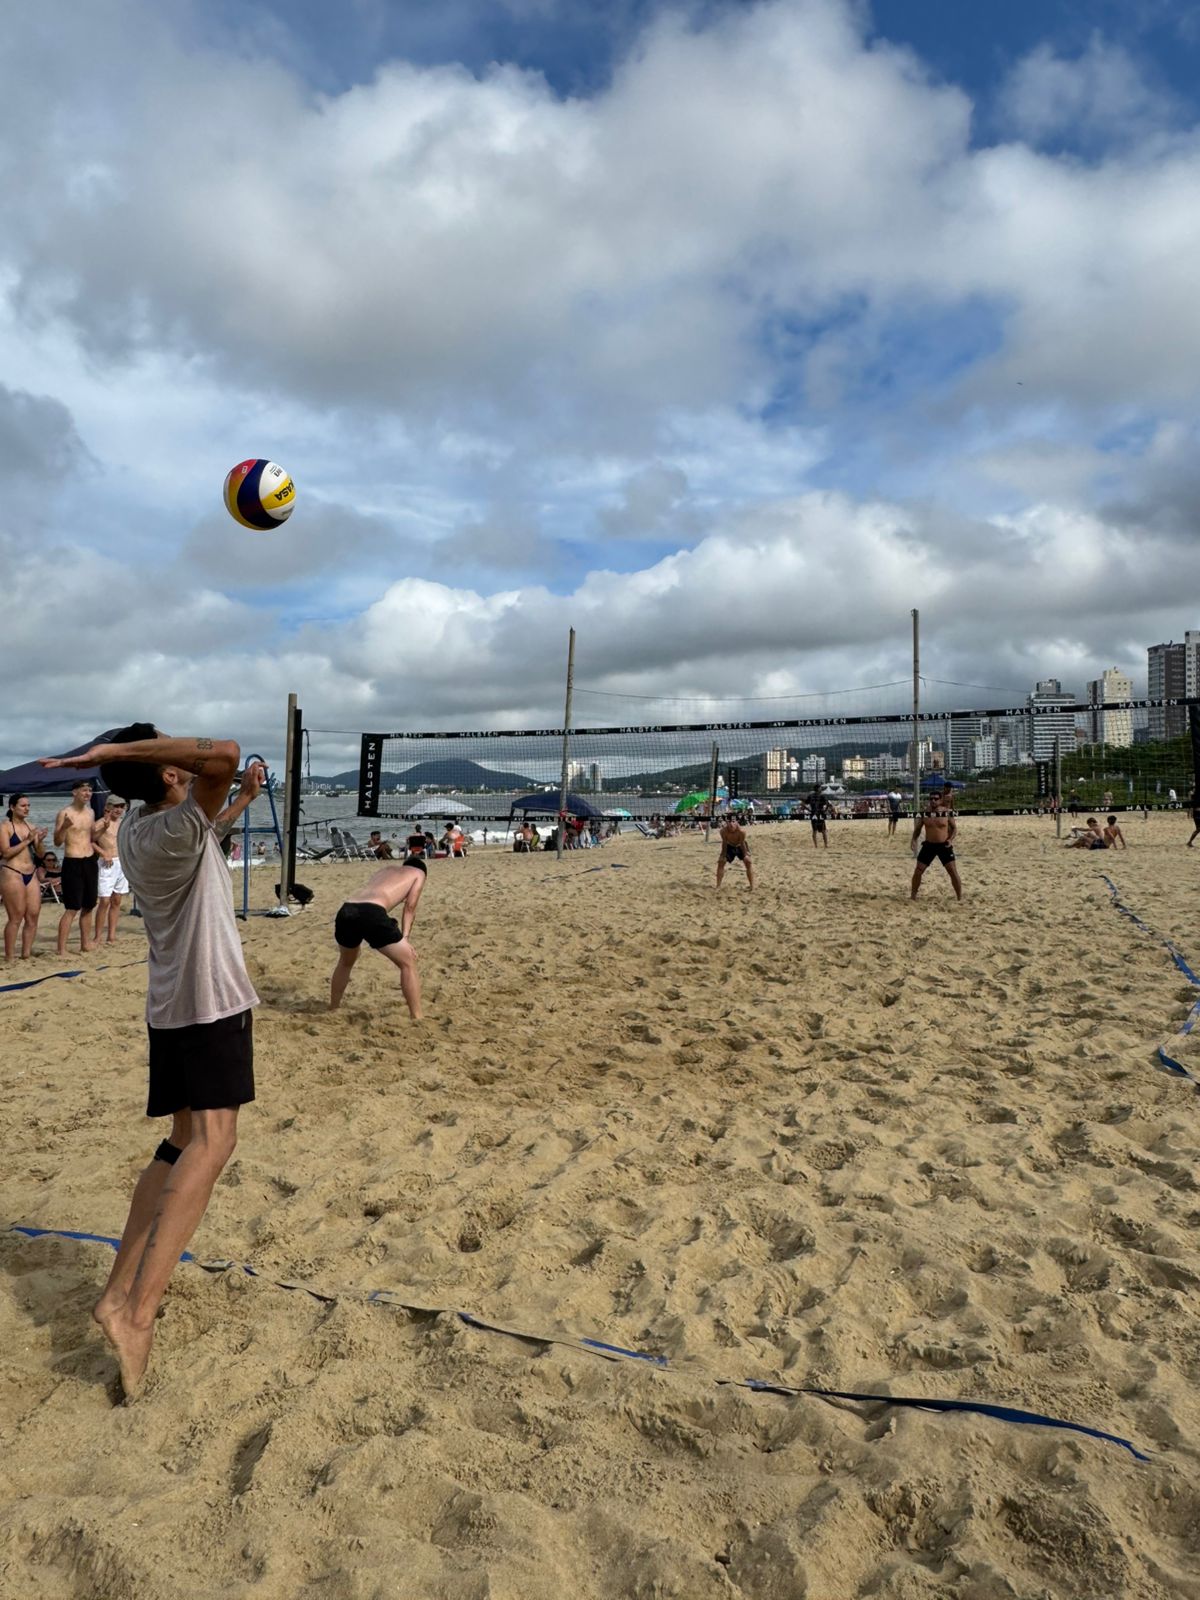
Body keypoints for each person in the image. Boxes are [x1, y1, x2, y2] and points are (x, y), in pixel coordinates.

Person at [38, 725, 258, 1399]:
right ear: (165, 771)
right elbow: (223, 753)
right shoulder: (170, 822)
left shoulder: (137, 826)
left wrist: (241, 801)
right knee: (214, 1142)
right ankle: (137, 1314)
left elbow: (207, 829)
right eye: (167, 747)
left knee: (181, 1141)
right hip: (209, 999)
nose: (178, 750)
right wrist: (116, 753)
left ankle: (114, 1296)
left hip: (169, 1004)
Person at [330, 852, 425, 1019]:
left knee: (345, 962)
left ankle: (333, 1007)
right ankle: (416, 1016)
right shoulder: (419, 873)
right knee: (407, 962)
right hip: (371, 911)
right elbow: (410, 908)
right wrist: (405, 938)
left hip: (347, 909)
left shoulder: (386, 870)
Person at [54, 779, 100, 954]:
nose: (88, 793)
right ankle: (62, 949)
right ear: (75, 792)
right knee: (72, 908)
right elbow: (57, 842)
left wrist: (104, 828)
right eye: (84, 790)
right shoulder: (64, 813)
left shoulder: (91, 812)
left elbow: (92, 837)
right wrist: (64, 827)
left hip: (90, 860)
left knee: (89, 905)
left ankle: (85, 944)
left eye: (90, 790)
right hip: (73, 861)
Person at [2, 793, 48, 959]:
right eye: (23, 805)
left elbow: (41, 854)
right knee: (16, 917)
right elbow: (5, 853)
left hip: (31, 872)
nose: (27, 808)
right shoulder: (5, 827)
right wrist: (27, 841)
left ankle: (26, 954)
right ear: (12, 807)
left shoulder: (30, 826)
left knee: (33, 915)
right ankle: (9, 956)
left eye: (28, 805)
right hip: (12, 872)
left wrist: (39, 840)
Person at [910, 787, 963, 901]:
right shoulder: (925, 813)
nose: (933, 801)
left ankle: (959, 897)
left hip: (944, 845)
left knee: (952, 871)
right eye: (931, 799)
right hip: (929, 845)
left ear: (940, 800)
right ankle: (913, 896)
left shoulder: (946, 812)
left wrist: (950, 840)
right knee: (918, 871)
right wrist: (913, 840)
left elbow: (954, 828)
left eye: (935, 799)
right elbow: (918, 829)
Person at [92, 796, 129, 945]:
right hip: (107, 863)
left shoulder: (123, 823)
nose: (119, 810)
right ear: (108, 807)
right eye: (116, 806)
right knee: (104, 900)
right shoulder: (100, 823)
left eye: (121, 806)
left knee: (117, 900)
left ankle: (111, 935)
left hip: (121, 862)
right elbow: (89, 840)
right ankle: (97, 936)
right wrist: (103, 852)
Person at [716, 813, 754, 890]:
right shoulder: (723, 831)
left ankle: (752, 886)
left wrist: (745, 855)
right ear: (726, 822)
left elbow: (742, 843)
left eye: (733, 821)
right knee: (721, 862)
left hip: (740, 845)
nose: (731, 824)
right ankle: (718, 886)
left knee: (748, 862)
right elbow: (724, 843)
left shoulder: (741, 832)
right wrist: (723, 855)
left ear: (737, 822)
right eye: (729, 822)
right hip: (730, 846)